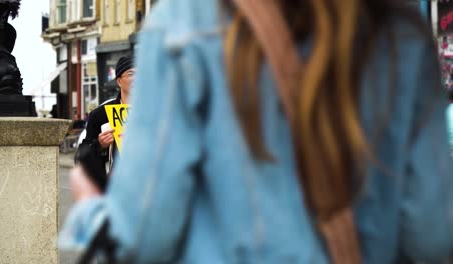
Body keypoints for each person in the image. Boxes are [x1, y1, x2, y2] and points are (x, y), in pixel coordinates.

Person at [60, 0, 453, 263]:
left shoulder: (184, 22)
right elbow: (432, 234)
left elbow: (145, 234)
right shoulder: (400, 32)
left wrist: (89, 215)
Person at [76, 55, 135, 183]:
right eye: (131, 74)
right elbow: (82, 156)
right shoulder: (101, 115)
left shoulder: (154, 113)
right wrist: (100, 145)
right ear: (119, 81)